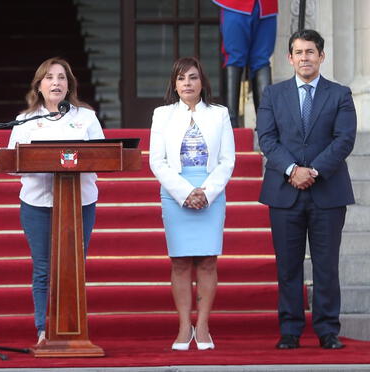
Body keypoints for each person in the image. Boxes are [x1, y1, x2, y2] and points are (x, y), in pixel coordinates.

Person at [256, 29, 357, 350]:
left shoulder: (340, 94)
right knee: (288, 266)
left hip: (327, 191)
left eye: (310, 52)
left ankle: (328, 330)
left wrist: (312, 171)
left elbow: (344, 139)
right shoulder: (273, 94)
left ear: (321, 56)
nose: (304, 58)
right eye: (298, 52)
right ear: (290, 58)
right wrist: (291, 170)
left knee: (326, 265)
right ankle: (290, 330)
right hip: (284, 193)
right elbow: (267, 139)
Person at [7, 57, 105, 345]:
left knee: (74, 266)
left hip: (80, 202)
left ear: (69, 84)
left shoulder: (86, 117)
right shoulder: (26, 120)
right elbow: (12, 163)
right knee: (42, 267)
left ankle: (74, 330)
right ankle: (43, 329)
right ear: (39, 85)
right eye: (49, 78)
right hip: (38, 203)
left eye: (62, 78)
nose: (56, 83)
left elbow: (103, 156)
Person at [149, 57, 235, 351]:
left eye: (193, 77)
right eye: (181, 78)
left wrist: (206, 192)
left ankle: (204, 326)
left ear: (202, 82)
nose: (187, 83)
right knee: (181, 262)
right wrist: (185, 192)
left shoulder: (219, 114)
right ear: (174, 84)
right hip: (175, 191)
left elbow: (227, 160)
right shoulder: (162, 115)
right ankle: (185, 325)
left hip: (211, 190)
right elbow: (156, 161)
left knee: (208, 261)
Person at [213, 0, 277, 128]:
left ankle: (266, 126)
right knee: (234, 58)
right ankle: (230, 125)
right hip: (235, 4)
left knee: (261, 60)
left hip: (265, 5)